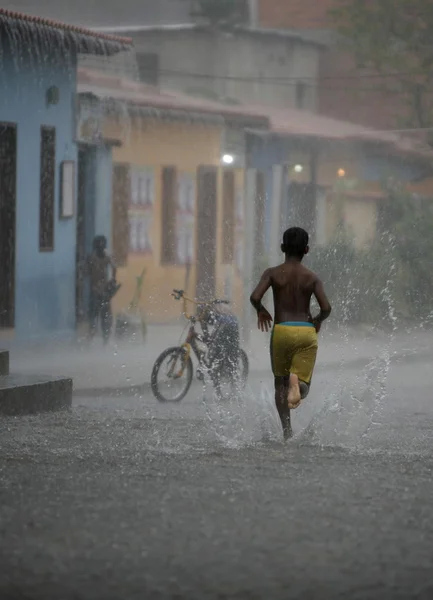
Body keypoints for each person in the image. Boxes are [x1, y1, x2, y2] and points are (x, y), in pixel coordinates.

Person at [250, 227, 332, 439]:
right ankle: (299, 384)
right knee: (302, 384)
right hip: (305, 331)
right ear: (306, 249)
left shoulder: (272, 273)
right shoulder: (312, 277)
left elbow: (255, 297)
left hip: (281, 331)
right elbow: (326, 308)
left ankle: (287, 431)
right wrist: (316, 321)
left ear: (282, 247)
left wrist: (261, 311)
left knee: (280, 383)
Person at [87, 235, 118, 344]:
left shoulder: (103, 257)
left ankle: (104, 340)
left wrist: (113, 281)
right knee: (95, 317)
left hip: (102, 291)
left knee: (103, 318)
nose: (101, 247)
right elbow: (114, 267)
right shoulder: (93, 258)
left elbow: (114, 267)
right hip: (97, 291)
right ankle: (92, 339)